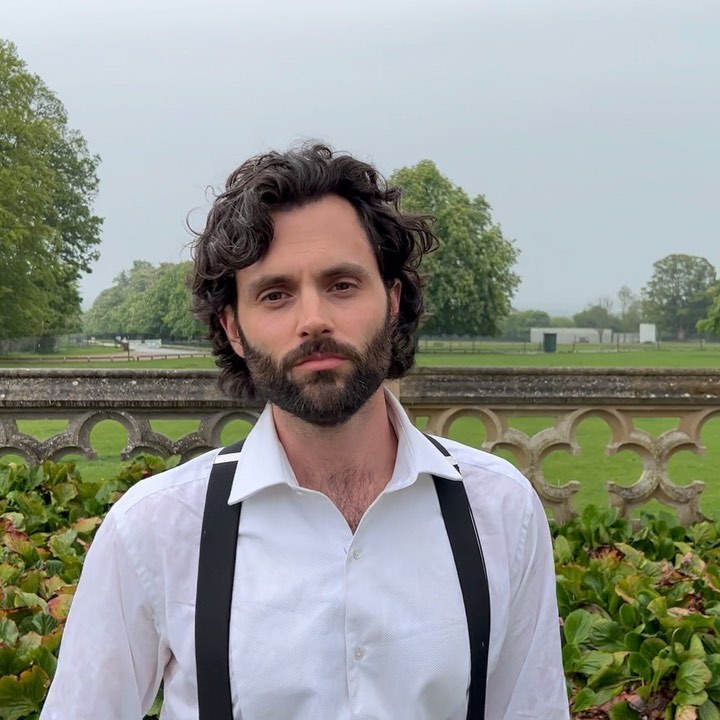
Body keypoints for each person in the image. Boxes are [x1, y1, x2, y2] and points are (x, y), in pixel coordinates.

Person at [41, 144, 569, 719]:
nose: (313, 319)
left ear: (392, 300)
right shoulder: (154, 530)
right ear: (233, 327)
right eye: (275, 294)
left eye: (341, 284)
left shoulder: (501, 510)